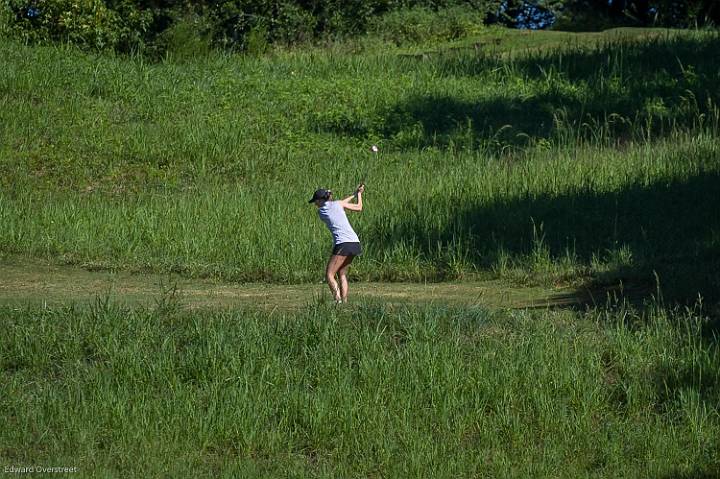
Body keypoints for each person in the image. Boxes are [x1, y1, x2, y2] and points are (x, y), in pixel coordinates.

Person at [309, 184, 365, 304]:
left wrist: (355, 194)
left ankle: (338, 301)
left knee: (329, 274)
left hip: (343, 244)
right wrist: (358, 194)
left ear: (319, 200)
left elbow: (340, 203)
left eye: (315, 201)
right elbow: (358, 207)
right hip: (355, 243)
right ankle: (344, 303)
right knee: (341, 273)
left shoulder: (321, 212)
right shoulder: (338, 204)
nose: (315, 204)